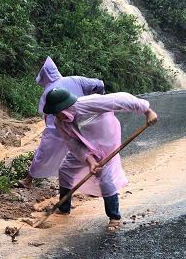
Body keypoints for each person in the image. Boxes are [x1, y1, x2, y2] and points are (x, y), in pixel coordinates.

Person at [42, 87, 158, 231]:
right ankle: (64, 208)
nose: (54, 115)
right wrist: (89, 160)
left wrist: (147, 110)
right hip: (85, 144)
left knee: (104, 178)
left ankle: (114, 217)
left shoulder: (88, 103)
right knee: (65, 170)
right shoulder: (59, 122)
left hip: (106, 143)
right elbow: (73, 144)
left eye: (56, 112)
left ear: (64, 108)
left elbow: (121, 99)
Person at [17, 57, 105, 188]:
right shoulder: (76, 79)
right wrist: (96, 100)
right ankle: (95, 186)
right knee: (87, 153)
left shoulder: (49, 92)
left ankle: (28, 180)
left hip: (57, 130)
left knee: (43, 154)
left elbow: (48, 115)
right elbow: (99, 85)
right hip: (80, 124)